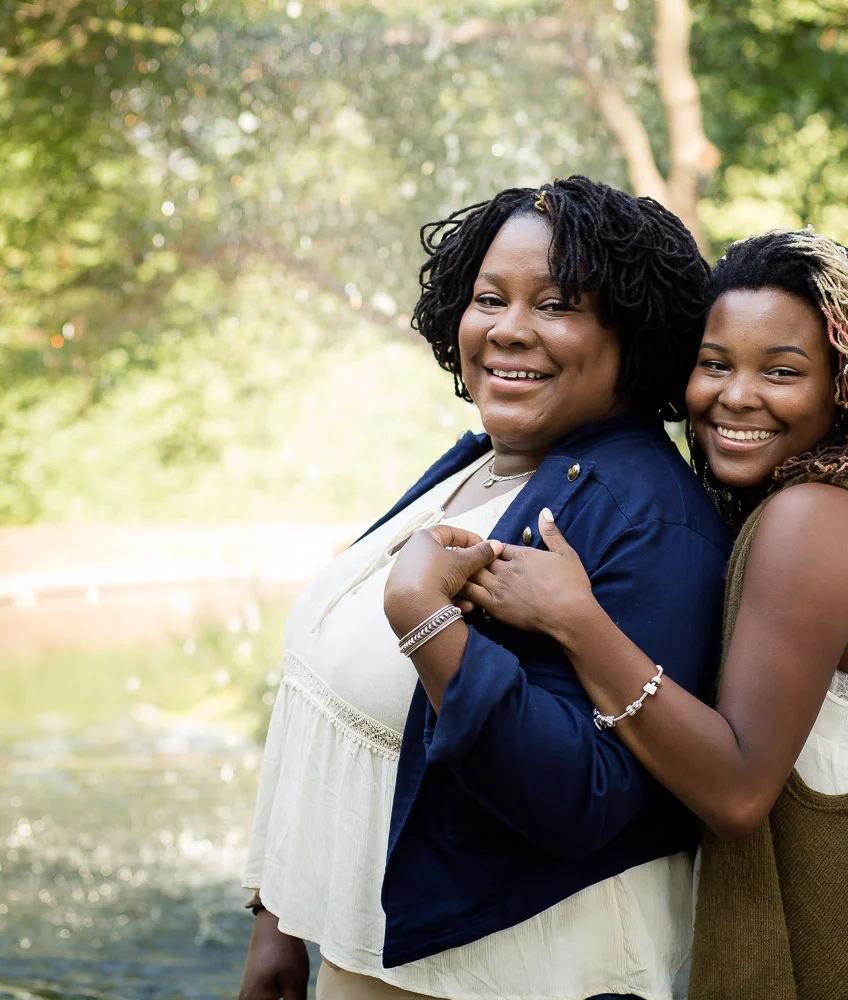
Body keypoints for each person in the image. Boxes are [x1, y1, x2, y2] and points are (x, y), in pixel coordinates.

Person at [458, 229, 848, 999]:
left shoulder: (808, 522)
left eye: (782, 371)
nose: (736, 395)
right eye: (715, 364)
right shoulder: (845, 504)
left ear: (845, 385)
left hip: (831, 959)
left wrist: (576, 622)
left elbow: (737, 791)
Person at [238, 176, 729, 1000]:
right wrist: (276, 913)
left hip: (508, 969)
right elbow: (334, 701)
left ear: (631, 335)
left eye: (556, 305)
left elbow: (586, 795)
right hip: (377, 953)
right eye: (489, 298)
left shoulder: (644, 516)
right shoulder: (479, 462)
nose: (509, 330)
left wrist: (425, 621)